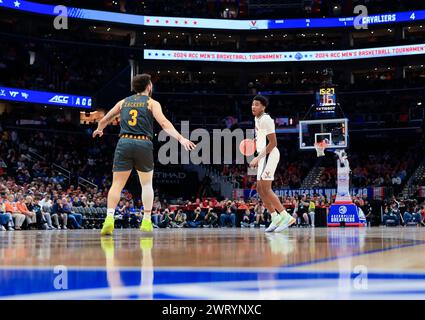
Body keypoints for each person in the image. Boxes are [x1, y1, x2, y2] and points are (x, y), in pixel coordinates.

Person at [93, 74, 196, 236]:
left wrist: (100, 129)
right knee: (146, 184)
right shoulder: (151, 103)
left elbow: (104, 119)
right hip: (143, 143)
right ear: (149, 87)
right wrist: (181, 138)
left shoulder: (124, 102)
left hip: (124, 142)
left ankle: (109, 219)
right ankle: (147, 220)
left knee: (117, 185)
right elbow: (164, 123)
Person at [249, 95, 295, 232]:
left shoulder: (266, 120)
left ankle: (286, 216)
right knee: (259, 189)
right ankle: (275, 217)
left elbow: (273, 143)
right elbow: (262, 139)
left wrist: (258, 158)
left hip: (270, 155)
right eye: (252, 104)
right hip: (262, 155)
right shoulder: (256, 119)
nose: (253, 107)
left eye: (257, 104)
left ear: (263, 107)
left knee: (266, 188)